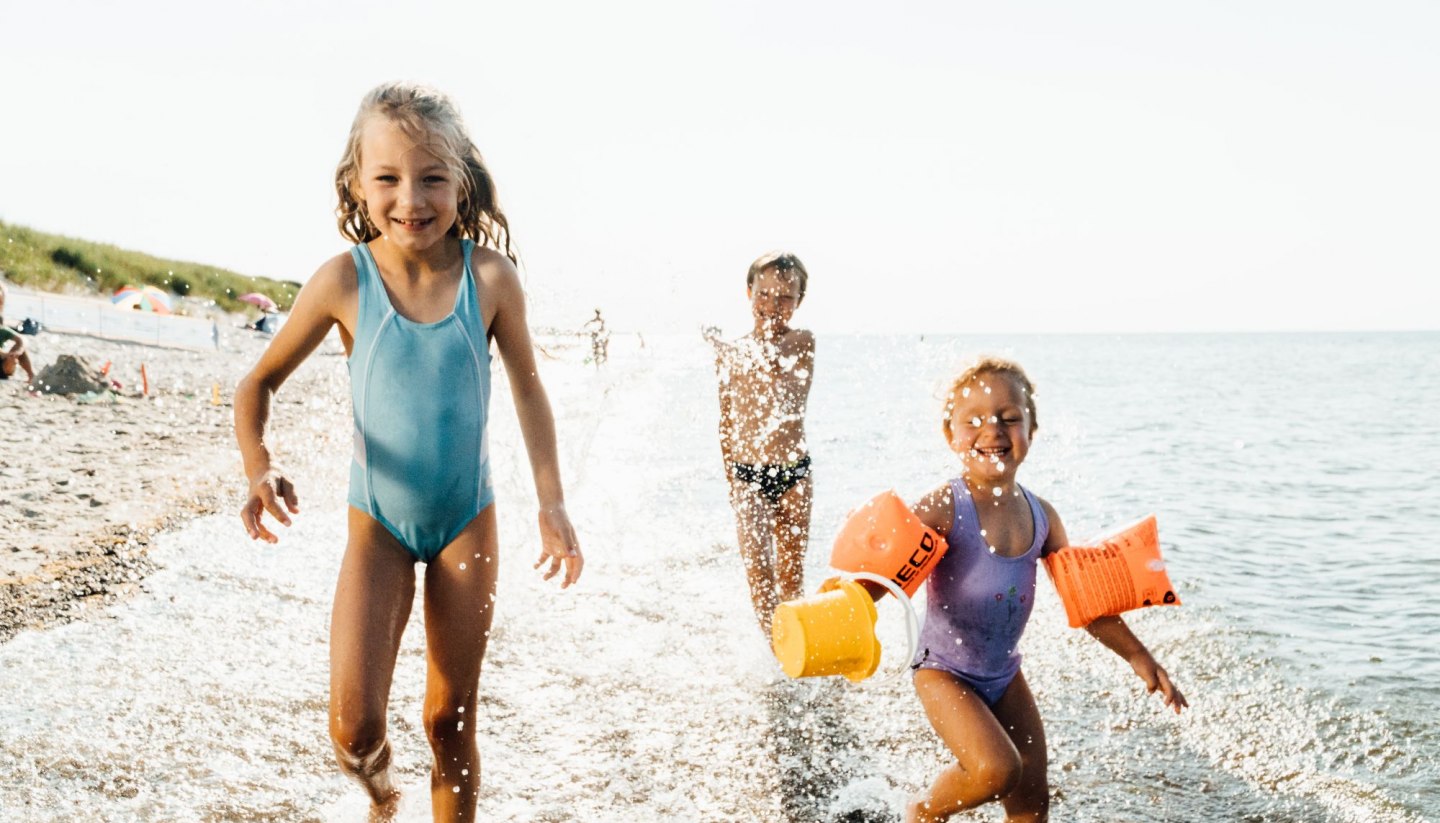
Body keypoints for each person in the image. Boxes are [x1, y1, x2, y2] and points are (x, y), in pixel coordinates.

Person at [233, 82, 583, 822]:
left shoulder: (489, 279)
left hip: (466, 521)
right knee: (353, 726)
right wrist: (258, 464)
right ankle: (384, 794)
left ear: (462, 181)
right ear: (357, 182)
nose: (410, 198)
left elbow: (528, 394)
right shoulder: (342, 280)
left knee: (449, 719)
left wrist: (551, 503)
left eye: (431, 177)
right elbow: (257, 382)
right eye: (387, 178)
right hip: (378, 528)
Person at [904, 357, 1187, 823]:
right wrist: (848, 600)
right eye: (973, 421)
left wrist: (1139, 656)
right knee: (997, 770)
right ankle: (925, 809)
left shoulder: (1042, 517)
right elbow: (885, 569)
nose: (992, 430)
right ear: (949, 435)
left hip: (1002, 673)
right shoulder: (944, 507)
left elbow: (1087, 603)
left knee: (1032, 803)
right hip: (942, 671)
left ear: (1031, 432)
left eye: (1009, 418)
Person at [704, 252, 815, 637]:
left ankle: (797, 652)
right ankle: (775, 651)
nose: (772, 305)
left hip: (794, 475)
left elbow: (771, 363)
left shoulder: (801, 343)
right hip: (748, 476)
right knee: (759, 574)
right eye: (763, 294)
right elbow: (726, 420)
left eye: (785, 297)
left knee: (790, 574)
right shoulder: (732, 353)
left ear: (799, 302)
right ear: (748, 293)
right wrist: (730, 482)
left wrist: (723, 347)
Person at [0, 285, 36, 384]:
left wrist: (17, 352)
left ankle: (31, 375)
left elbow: (22, 340)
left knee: (20, 348)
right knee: (12, 356)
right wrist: (6, 354)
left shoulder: (2, 330)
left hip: (3, 365)